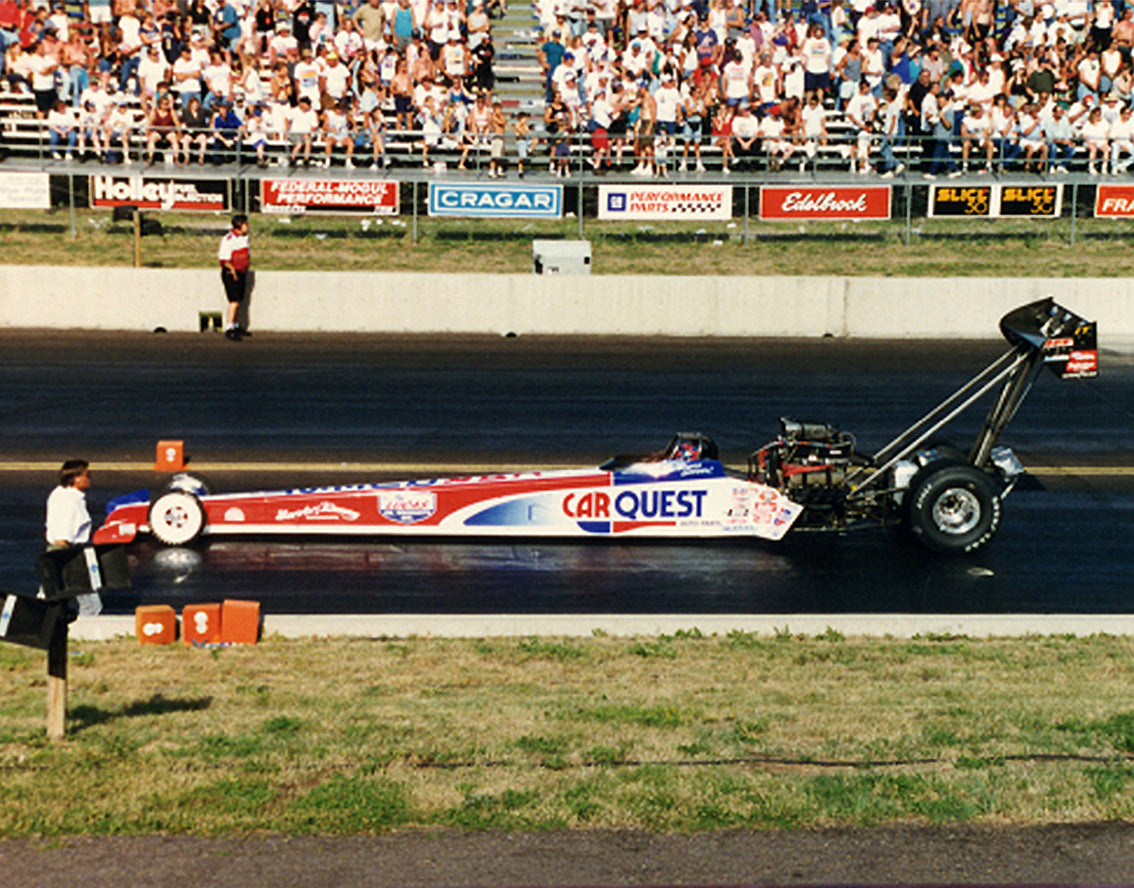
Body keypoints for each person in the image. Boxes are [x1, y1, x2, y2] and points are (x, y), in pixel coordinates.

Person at [45, 459, 100, 617]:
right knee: (91, 605)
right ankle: (87, 634)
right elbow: (62, 537)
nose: (90, 478)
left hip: (60, 552)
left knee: (53, 601)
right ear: (76, 478)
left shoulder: (60, 492)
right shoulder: (70, 502)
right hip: (68, 553)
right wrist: (67, 564)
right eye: (87, 475)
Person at [218, 213, 250, 340]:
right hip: (232, 272)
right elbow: (224, 259)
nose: (247, 227)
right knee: (234, 301)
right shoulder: (229, 239)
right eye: (245, 224)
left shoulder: (244, 238)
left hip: (241, 271)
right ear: (239, 225)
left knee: (239, 300)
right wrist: (233, 272)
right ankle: (229, 327)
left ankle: (235, 325)